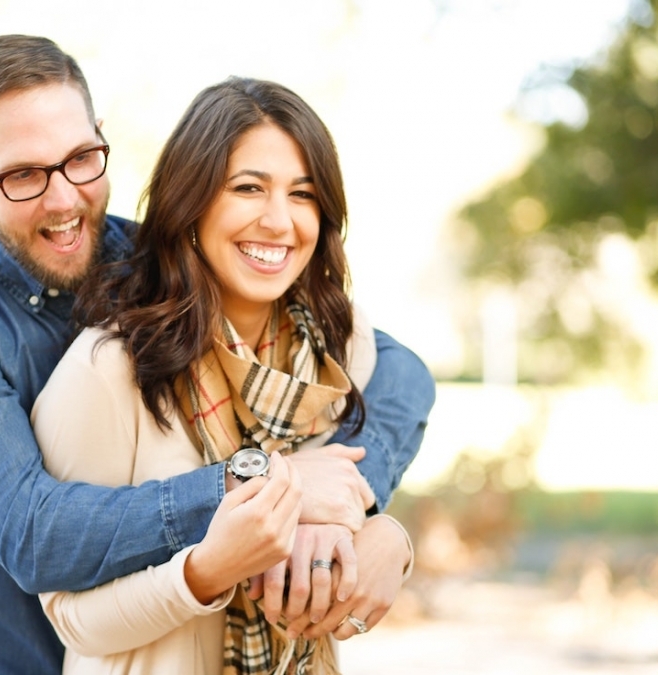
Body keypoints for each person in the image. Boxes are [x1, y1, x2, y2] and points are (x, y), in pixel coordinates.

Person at [0, 34, 436, 675]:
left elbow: (401, 374)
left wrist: (359, 511)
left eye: (82, 158)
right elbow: (35, 535)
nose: (65, 199)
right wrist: (264, 484)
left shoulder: (159, 264)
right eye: (24, 175)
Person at [32, 76, 406, 675]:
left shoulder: (337, 347)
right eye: (248, 188)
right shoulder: (108, 370)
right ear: (192, 201)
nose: (279, 221)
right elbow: (71, 616)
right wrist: (208, 569)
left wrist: (388, 537)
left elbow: (344, 497)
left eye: (303, 194)